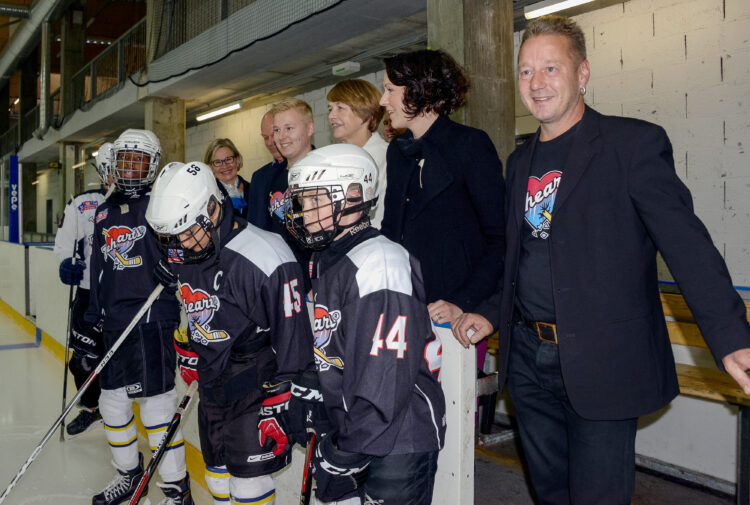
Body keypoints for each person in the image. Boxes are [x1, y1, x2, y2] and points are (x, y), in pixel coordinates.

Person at [452, 15, 750, 505]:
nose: (537, 83)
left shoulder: (631, 145)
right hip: (527, 357)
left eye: (551, 68)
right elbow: (517, 253)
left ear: (582, 74)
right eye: (526, 71)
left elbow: (687, 243)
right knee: (549, 491)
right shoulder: (519, 161)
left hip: (601, 359)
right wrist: (486, 311)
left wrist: (731, 335)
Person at [145, 160, 314, 505]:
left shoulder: (266, 256)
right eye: (172, 237)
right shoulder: (185, 252)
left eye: (189, 231)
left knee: (247, 487)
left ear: (213, 206)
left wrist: (289, 399)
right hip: (213, 383)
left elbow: (295, 340)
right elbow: (200, 310)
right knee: (217, 478)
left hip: (258, 384)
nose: (182, 244)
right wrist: (191, 348)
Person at [285, 144, 446, 505]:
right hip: (357, 426)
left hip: (396, 436)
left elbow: (387, 374)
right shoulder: (328, 256)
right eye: (303, 203)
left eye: (316, 201)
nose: (306, 214)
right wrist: (314, 380)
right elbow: (338, 337)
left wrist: (349, 448)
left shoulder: (381, 261)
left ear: (355, 196)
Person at [379, 49, 505, 372]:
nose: (383, 101)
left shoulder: (471, 146)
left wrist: (462, 304)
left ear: (422, 90)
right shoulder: (398, 151)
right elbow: (392, 233)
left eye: (390, 90)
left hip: (455, 320)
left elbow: (500, 240)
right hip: (404, 315)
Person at [87, 129, 191, 505]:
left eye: (139, 161)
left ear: (152, 165)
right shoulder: (104, 209)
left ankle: (177, 490)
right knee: (111, 403)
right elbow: (98, 266)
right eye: (125, 160)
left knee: (157, 406)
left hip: (152, 316)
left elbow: (188, 245)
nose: (130, 168)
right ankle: (129, 476)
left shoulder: (161, 203)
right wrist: (93, 314)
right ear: (114, 163)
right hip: (116, 320)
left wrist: (174, 266)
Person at [53, 144, 113, 438]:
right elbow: (64, 245)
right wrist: (67, 264)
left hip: (125, 297)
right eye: (110, 168)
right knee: (83, 360)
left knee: (118, 360)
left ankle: (117, 415)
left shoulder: (145, 203)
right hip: (90, 295)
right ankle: (91, 408)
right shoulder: (81, 203)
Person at [327, 79, 388, 228]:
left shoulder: (387, 156)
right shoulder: (330, 159)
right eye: (330, 109)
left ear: (367, 113)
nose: (331, 116)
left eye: (340, 107)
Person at [247, 111, 287, 230]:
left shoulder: (306, 168)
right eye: (265, 138)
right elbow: (254, 225)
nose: (270, 142)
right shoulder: (259, 177)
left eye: (273, 134)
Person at [204, 138, 250, 218]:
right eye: (217, 162)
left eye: (228, 159)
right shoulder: (207, 196)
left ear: (237, 160)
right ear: (210, 167)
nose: (225, 166)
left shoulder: (254, 189)